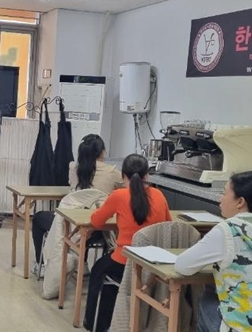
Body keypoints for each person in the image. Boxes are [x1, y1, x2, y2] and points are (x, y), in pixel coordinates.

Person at [174, 171, 252, 332]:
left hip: (244, 326)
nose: (220, 199)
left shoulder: (227, 230)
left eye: (224, 193)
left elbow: (182, 266)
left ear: (240, 202)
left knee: (207, 299)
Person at [84, 154, 172, 332]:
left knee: (97, 270)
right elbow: (167, 224)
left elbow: (96, 221)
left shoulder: (119, 196)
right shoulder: (159, 195)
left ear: (123, 176)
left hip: (124, 262)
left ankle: (94, 323)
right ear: (147, 175)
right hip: (153, 265)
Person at [31, 134, 122, 277]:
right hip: (97, 231)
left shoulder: (74, 167)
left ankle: (40, 265)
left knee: (38, 218)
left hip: (71, 227)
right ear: (101, 152)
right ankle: (83, 264)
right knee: (90, 214)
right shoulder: (113, 172)